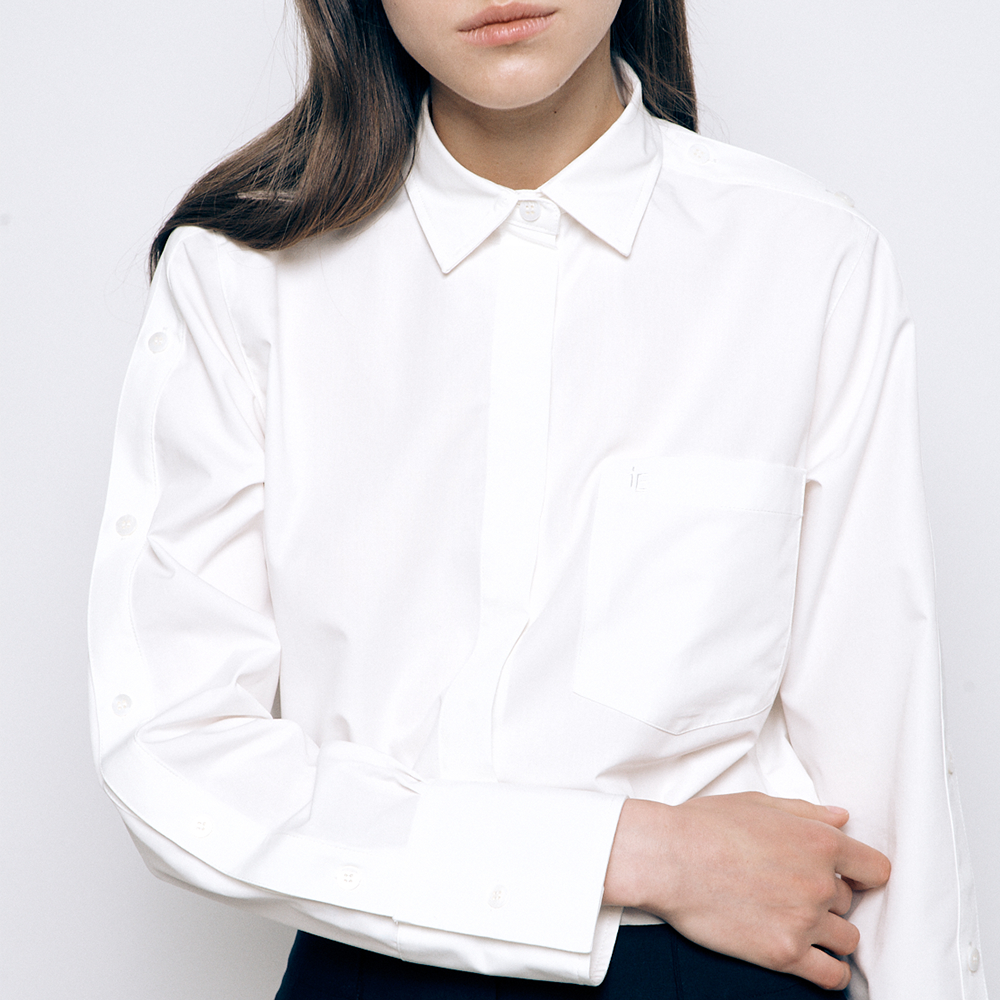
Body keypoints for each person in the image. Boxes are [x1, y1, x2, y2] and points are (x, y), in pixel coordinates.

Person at [88, 1, 985, 997]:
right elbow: (174, 746)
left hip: (713, 974)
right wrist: (639, 853)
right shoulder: (239, 276)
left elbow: (885, 760)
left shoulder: (806, 256)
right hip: (379, 966)